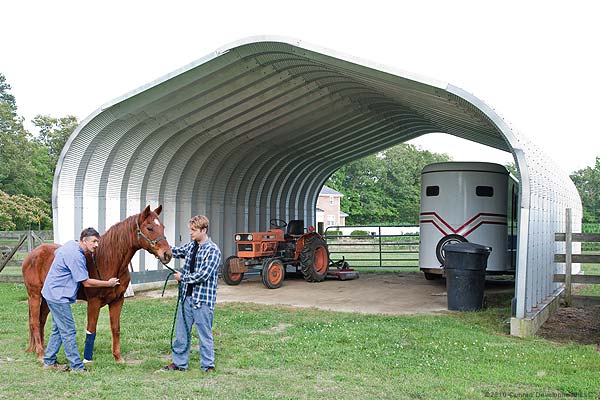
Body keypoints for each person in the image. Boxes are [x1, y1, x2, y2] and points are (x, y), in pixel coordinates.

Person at [41, 227, 120, 372]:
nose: (96, 245)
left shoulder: (71, 244)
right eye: (94, 242)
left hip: (51, 292)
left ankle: (49, 361)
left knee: (58, 329)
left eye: (98, 241)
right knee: (68, 331)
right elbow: (86, 282)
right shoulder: (76, 256)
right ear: (84, 240)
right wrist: (108, 283)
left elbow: (57, 252)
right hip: (58, 296)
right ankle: (77, 367)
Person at [161, 215, 222, 372]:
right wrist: (160, 250)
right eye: (191, 230)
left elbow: (204, 274)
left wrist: (183, 278)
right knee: (182, 333)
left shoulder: (213, 250)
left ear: (204, 230)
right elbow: (176, 251)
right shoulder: (191, 246)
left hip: (202, 300)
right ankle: (179, 363)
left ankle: (208, 365)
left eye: (194, 230)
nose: (191, 233)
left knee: (204, 334)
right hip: (186, 299)